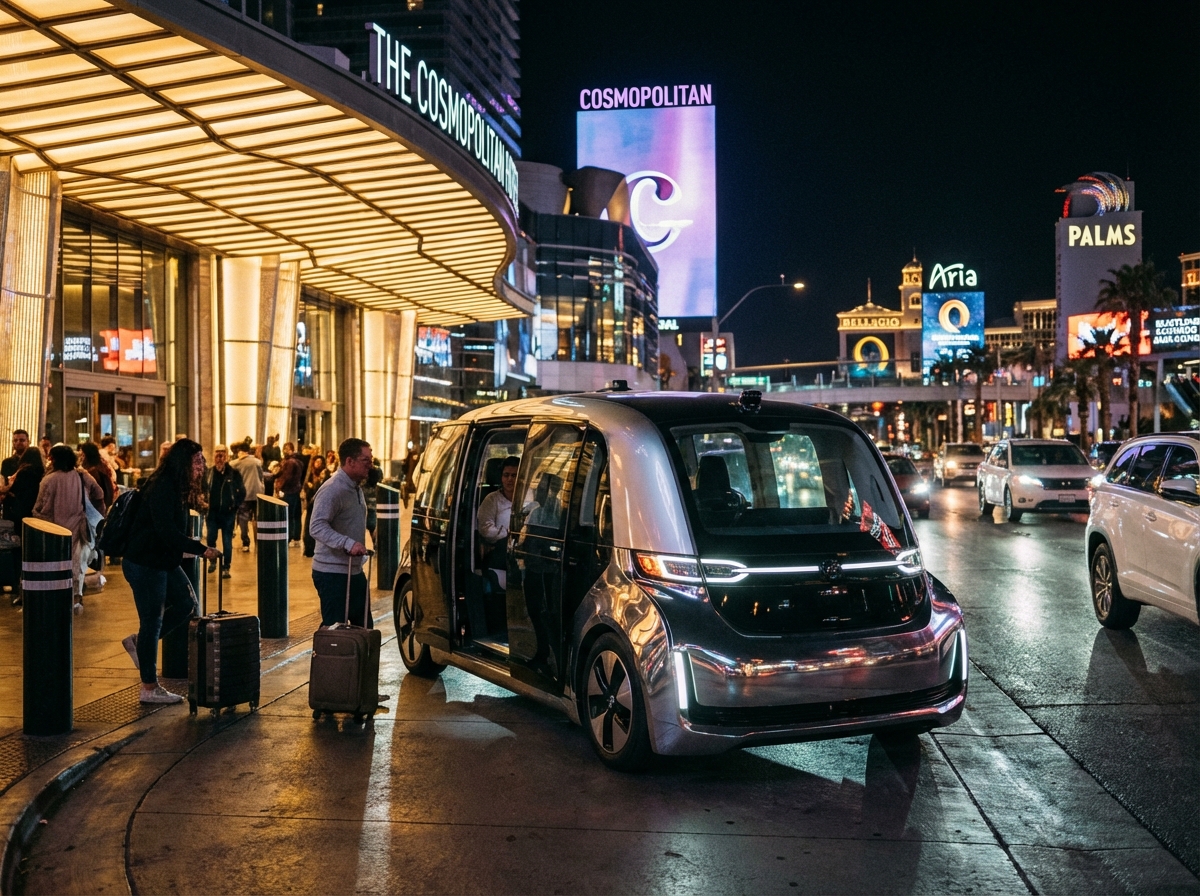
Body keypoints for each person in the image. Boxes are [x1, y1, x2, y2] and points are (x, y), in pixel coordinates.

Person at [120, 439, 219, 704]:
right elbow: (166, 531)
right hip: (145, 562)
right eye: (197, 461)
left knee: (187, 603)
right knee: (152, 621)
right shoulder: (162, 486)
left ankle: (139, 643)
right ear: (183, 463)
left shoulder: (175, 486)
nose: (202, 466)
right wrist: (200, 549)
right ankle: (149, 687)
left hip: (161, 559)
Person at [308, 438, 372, 628]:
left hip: (354, 570)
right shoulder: (333, 489)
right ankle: (326, 658)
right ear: (349, 461)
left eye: (371, 459)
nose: (370, 465)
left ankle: (361, 659)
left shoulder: (355, 487)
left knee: (365, 629)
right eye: (365, 460)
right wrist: (348, 543)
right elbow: (317, 526)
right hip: (332, 573)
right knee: (335, 632)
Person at [33, 445, 104, 613]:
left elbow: (40, 506)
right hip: (79, 528)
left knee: (56, 565)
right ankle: (76, 599)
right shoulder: (82, 476)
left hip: (53, 530)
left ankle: (58, 597)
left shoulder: (48, 480)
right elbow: (99, 493)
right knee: (77, 564)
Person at [202, 445, 245, 579]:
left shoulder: (233, 473)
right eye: (217, 454)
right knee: (210, 538)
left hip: (228, 513)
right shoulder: (209, 473)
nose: (219, 457)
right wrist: (203, 503)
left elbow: (242, 491)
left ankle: (226, 567)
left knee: (227, 541)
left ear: (226, 456)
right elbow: (203, 489)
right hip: (212, 513)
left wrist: (235, 506)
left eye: (222, 454)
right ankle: (213, 560)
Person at [476, 455, 519, 572]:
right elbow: (485, 528)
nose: (509, 479)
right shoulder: (492, 499)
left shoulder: (529, 497)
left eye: (514, 475)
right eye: (506, 475)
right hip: (500, 551)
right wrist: (506, 536)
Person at [229, 443, 264, 552]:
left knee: (243, 519)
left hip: (244, 495)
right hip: (258, 493)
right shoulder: (256, 462)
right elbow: (261, 475)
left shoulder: (235, 464)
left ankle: (246, 543)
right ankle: (259, 542)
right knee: (257, 518)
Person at [274, 442, 304, 546]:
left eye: (285, 449)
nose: (283, 451)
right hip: (296, 490)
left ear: (289, 449)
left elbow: (287, 476)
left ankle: (289, 537)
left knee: (289, 515)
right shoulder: (299, 461)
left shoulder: (289, 462)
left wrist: (279, 486)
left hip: (289, 490)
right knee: (296, 515)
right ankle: (296, 537)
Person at [302, 453, 330, 557]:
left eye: (320, 462)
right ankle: (308, 548)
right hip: (310, 505)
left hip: (320, 505)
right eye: (316, 462)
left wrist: (314, 486)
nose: (317, 464)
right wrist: (309, 487)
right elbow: (306, 486)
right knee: (308, 526)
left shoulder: (325, 474)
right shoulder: (311, 474)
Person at [80, 441, 115, 511]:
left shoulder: (92, 473)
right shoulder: (102, 465)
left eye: (82, 455)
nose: (80, 458)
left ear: (87, 456)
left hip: (96, 508)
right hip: (104, 506)